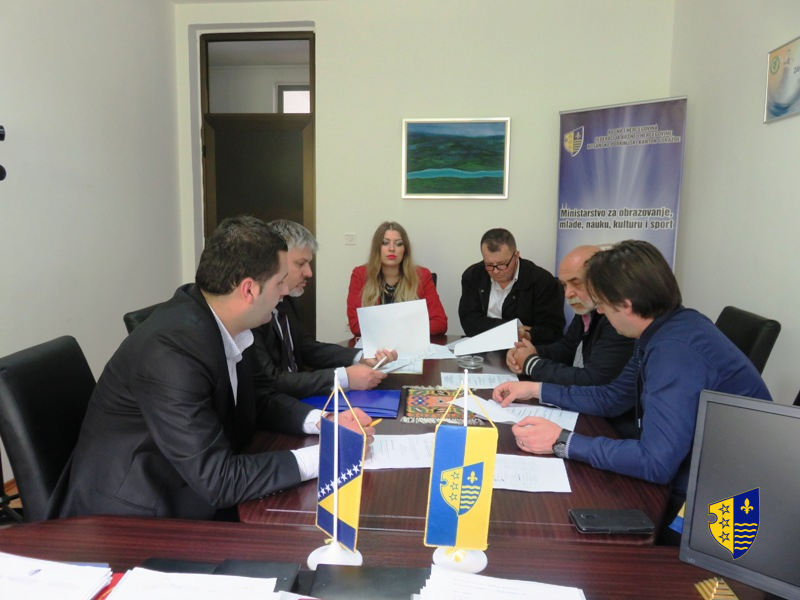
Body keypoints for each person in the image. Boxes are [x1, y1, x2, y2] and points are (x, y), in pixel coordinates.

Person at [58, 216, 375, 520]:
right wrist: (330, 453)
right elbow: (218, 480)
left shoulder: (227, 322)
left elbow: (261, 399)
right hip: (136, 516)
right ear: (249, 290)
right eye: (279, 282)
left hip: (192, 487)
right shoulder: (171, 351)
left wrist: (323, 423)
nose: (284, 292)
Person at [492, 239, 771, 527]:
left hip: (727, 506)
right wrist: (536, 389)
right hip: (697, 470)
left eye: (602, 304)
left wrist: (563, 441)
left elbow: (655, 463)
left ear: (626, 305)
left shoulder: (674, 351)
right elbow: (613, 397)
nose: (600, 312)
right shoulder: (664, 326)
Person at [254, 220, 397, 399]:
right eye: (300, 264)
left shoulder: (288, 301)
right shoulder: (253, 314)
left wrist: (361, 356)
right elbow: (271, 381)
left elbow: (306, 348)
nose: (309, 273)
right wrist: (344, 377)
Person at [505, 244, 634, 386]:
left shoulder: (618, 318)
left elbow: (593, 379)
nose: (567, 294)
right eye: (564, 285)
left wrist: (531, 363)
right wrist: (530, 352)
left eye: (576, 283)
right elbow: (567, 348)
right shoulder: (587, 308)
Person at [458, 228, 564, 344]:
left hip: (526, 348)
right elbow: (469, 323)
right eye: (489, 265)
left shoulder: (541, 280)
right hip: (484, 346)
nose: (496, 271)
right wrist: (513, 330)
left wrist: (528, 335)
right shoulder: (473, 276)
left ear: (516, 256)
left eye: (502, 264)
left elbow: (552, 331)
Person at [347, 221, 447, 336]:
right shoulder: (360, 275)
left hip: (411, 343)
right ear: (376, 248)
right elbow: (356, 326)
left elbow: (440, 323)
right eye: (385, 243)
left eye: (398, 244)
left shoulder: (422, 275)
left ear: (405, 250)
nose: (392, 248)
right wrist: (407, 327)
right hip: (376, 345)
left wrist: (390, 329)